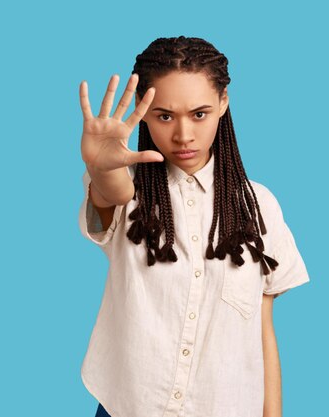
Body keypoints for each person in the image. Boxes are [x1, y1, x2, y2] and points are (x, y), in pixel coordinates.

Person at [78, 36, 310, 417]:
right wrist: (100, 167)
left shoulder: (259, 206)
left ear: (223, 102)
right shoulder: (131, 190)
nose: (183, 135)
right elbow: (110, 193)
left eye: (199, 114)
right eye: (165, 116)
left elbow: (262, 332)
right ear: (143, 110)